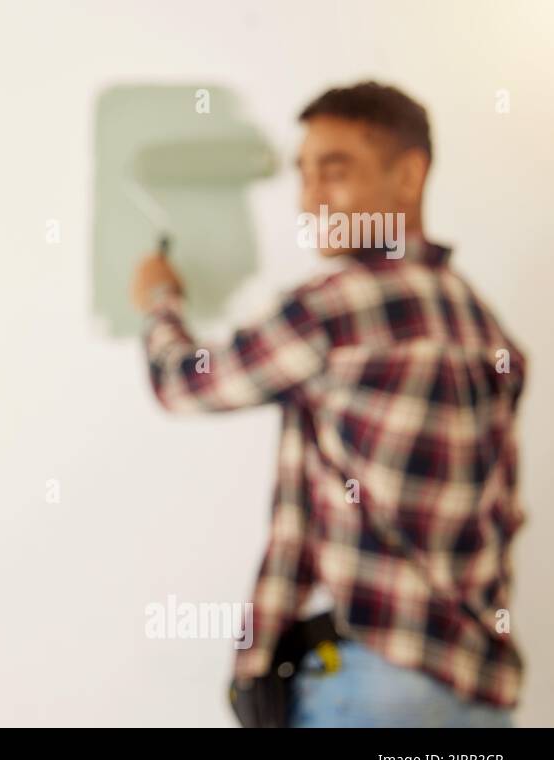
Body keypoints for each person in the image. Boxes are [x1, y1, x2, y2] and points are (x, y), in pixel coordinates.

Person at [131, 81, 526, 727]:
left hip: (374, 687)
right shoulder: (480, 321)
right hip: (475, 696)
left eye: (334, 171)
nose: (310, 197)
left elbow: (185, 383)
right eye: (304, 173)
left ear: (409, 175)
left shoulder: (332, 307)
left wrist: (159, 301)